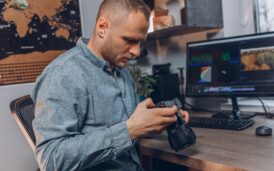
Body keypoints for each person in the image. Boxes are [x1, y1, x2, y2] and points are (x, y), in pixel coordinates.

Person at [32, 0, 189, 170]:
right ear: (102, 27)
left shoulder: (120, 69)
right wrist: (130, 130)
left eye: (140, 42)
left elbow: (122, 126)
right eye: (130, 40)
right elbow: (51, 158)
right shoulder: (63, 75)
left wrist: (155, 121)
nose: (136, 51)